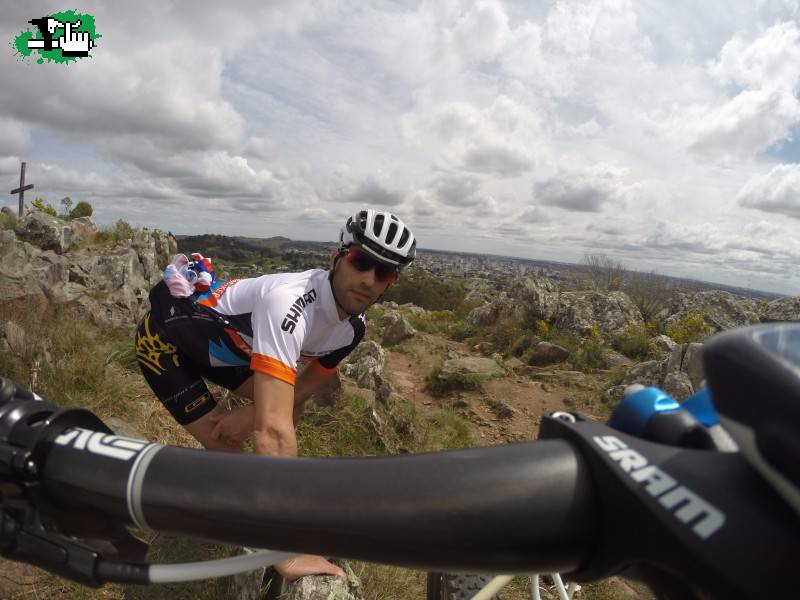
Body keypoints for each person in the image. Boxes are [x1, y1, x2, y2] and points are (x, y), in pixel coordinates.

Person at [134, 209, 416, 581]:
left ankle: (252, 505)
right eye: (360, 262)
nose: (369, 279)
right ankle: (261, 532)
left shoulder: (352, 328)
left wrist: (248, 416)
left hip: (228, 350)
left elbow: (314, 379)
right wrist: (290, 550)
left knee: (283, 414)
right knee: (232, 448)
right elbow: (273, 432)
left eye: (385, 272)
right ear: (336, 258)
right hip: (166, 342)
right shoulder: (290, 303)